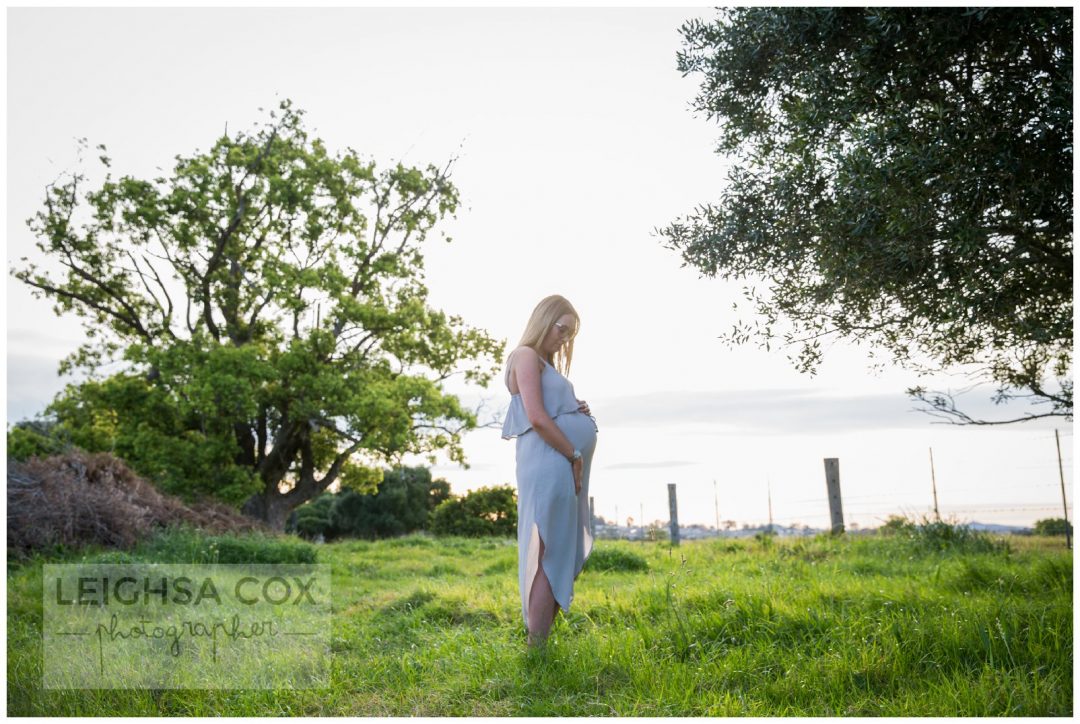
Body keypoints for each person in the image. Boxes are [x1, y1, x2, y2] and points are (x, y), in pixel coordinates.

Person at [501, 294, 597, 646]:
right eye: (562, 329)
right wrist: (573, 453)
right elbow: (537, 418)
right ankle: (535, 646)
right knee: (546, 550)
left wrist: (573, 408)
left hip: (558, 461)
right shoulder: (526, 355)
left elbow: (549, 410)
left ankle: (540, 643)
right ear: (544, 320)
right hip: (550, 462)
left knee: (557, 548)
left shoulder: (544, 363)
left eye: (571, 335)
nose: (565, 339)